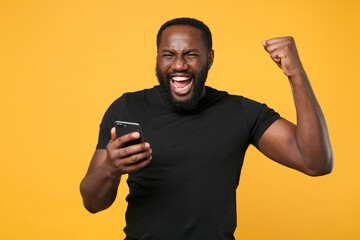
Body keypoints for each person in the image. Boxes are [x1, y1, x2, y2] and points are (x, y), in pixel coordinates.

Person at [80, 18, 333, 239]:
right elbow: (92, 203)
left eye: (191, 54)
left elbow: (315, 162)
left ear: (209, 58)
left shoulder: (241, 112)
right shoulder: (127, 108)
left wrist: (296, 74)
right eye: (168, 54)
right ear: (157, 57)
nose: (179, 65)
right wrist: (110, 170)